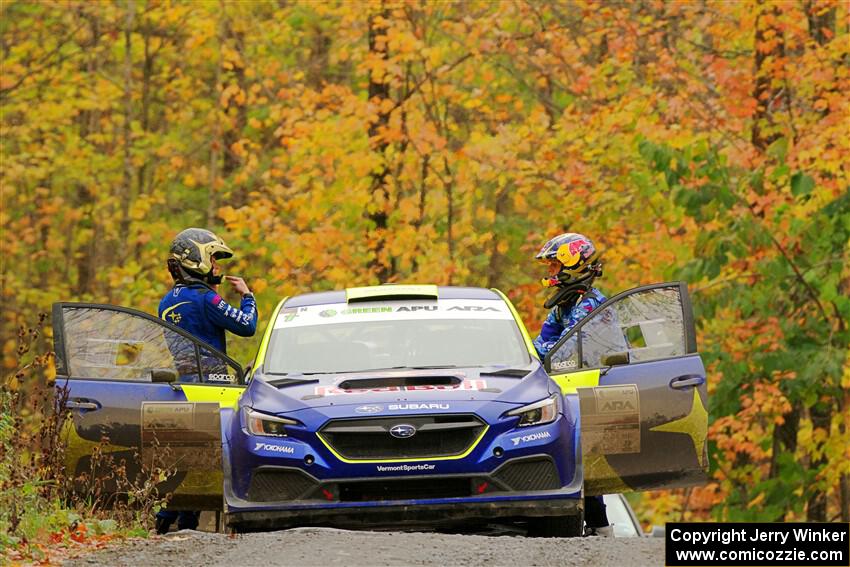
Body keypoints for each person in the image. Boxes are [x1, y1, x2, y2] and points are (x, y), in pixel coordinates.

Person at [155, 227, 258, 534]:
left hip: (181, 388)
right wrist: (248, 296)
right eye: (214, 259)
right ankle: (173, 519)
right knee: (210, 457)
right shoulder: (205, 299)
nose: (218, 267)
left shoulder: (166, 301)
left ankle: (172, 523)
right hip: (211, 388)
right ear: (196, 260)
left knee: (188, 457)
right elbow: (247, 326)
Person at [532, 232, 612, 536]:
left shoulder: (591, 305)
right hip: (569, 390)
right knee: (575, 459)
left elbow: (568, 351)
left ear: (572, 264)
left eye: (554, 265)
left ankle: (602, 530)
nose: (550, 272)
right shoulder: (566, 304)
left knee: (585, 460)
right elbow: (542, 348)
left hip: (596, 390)